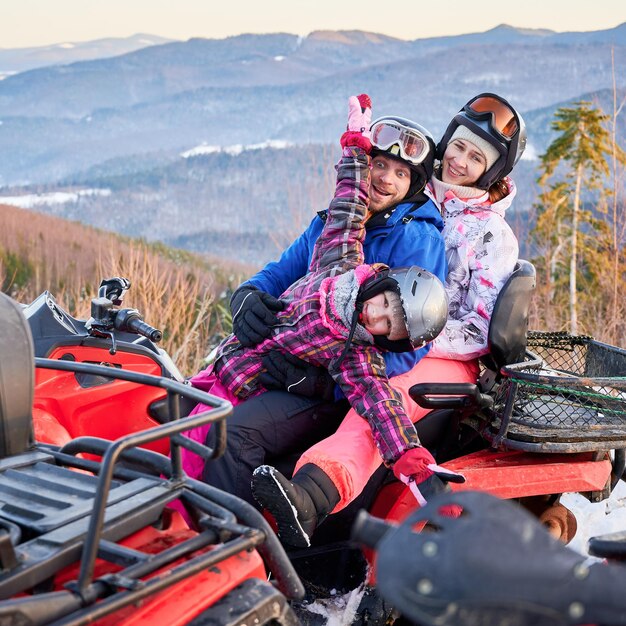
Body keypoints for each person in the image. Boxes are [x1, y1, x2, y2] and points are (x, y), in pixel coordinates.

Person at [252, 92, 526, 548]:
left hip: (451, 349)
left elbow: (478, 328)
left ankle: (316, 493)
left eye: (476, 157)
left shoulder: (492, 235)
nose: (458, 161)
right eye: (457, 145)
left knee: (386, 396)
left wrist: (400, 340)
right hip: (383, 327)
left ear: (493, 171)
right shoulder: (420, 192)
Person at [182, 95, 449, 485]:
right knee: (177, 406)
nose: (385, 178)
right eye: (379, 164)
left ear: (414, 186)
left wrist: (323, 383)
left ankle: (229, 535)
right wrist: (248, 296)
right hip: (273, 362)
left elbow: (411, 340)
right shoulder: (335, 233)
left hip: (333, 385)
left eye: (401, 173)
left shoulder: (416, 239)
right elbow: (281, 271)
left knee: (232, 434)